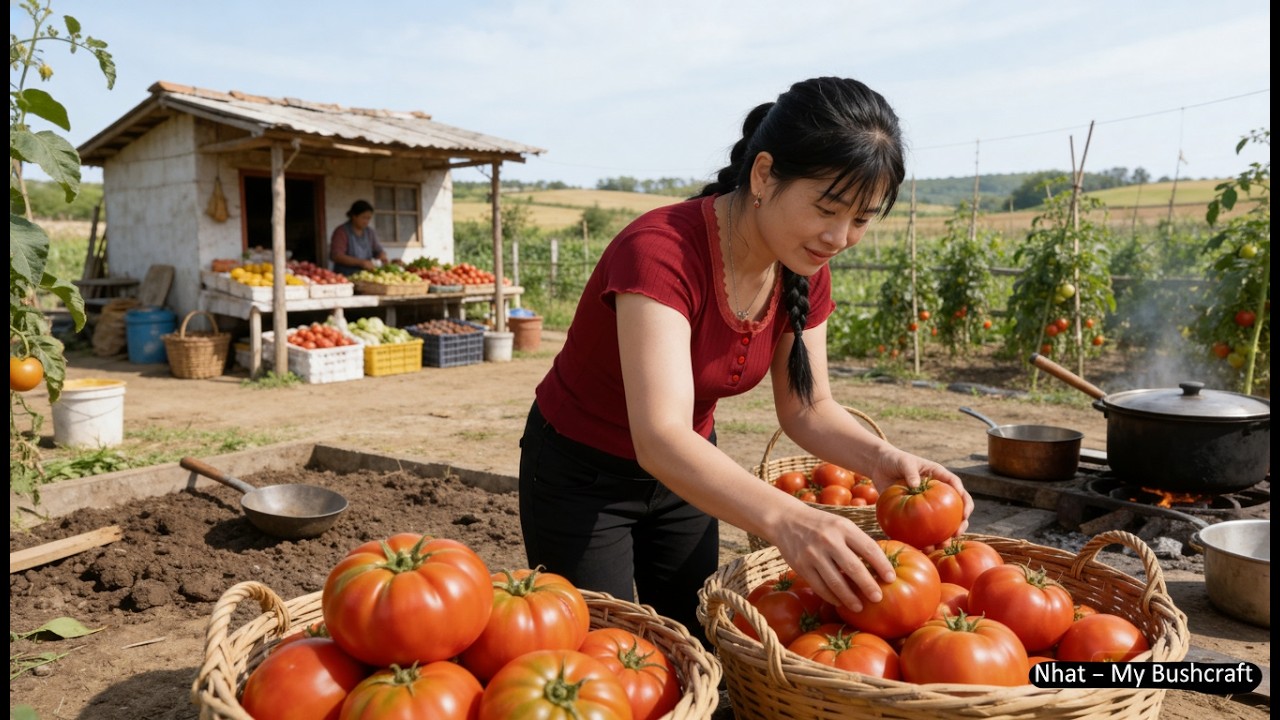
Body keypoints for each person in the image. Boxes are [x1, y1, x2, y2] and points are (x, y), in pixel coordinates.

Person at [517, 76, 974, 638]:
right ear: (763, 175)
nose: (839, 237)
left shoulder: (803, 266)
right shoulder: (659, 253)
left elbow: (808, 409)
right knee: (599, 648)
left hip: (688, 473)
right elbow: (658, 434)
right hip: (580, 478)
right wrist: (790, 520)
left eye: (860, 219)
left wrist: (881, 461)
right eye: (828, 208)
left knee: (694, 640)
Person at [330, 199, 388, 276]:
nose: (366, 221)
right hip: (345, 276)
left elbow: (378, 250)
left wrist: (382, 256)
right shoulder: (342, 231)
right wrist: (361, 262)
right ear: (354, 216)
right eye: (364, 218)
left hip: (366, 276)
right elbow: (336, 256)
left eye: (368, 218)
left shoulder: (369, 232)